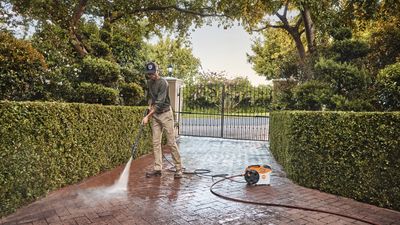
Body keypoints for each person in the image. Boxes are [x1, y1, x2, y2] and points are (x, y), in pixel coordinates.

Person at [142, 62, 183, 179]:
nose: (151, 76)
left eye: (153, 73)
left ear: (157, 71)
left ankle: (178, 168)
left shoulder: (163, 83)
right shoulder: (149, 82)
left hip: (165, 114)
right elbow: (151, 97)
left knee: (171, 142)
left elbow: (159, 103)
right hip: (156, 115)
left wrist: (147, 117)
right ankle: (157, 168)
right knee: (155, 142)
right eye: (149, 74)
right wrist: (149, 105)